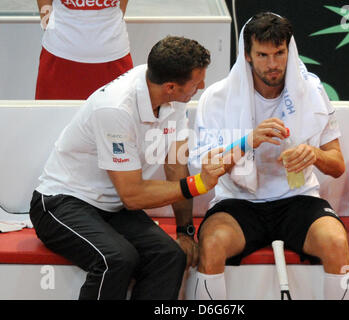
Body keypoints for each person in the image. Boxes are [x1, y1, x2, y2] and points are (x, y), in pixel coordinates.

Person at [29, 36, 226, 300]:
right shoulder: (116, 108)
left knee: (170, 256)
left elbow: (175, 165)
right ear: (170, 86)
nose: (202, 86)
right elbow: (132, 196)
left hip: (110, 207)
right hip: (61, 202)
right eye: (196, 82)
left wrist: (185, 231)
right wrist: (199, 184)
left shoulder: (173, 99)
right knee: (117, 259)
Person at [188, 12, 349, 300]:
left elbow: (338, 165)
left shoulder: (312, 92)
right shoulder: (216, 98)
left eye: (280, 53)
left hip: (298, 198)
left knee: (336, 242)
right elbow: (205, 169)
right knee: (212, 246)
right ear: (247, 55)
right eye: (263, 55)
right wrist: (246, 142)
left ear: (290, 50)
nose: (273, 64)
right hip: (237, 203)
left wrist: (313, 154)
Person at [35, 0, 133, 100]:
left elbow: (122, 8)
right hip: (58, 54)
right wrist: (49, 27)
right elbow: (44, 8)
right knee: (51, 114)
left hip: (113, 56)